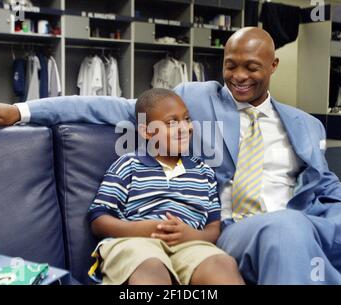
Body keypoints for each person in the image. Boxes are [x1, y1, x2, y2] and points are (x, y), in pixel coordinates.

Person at [0, 27, 341, 285]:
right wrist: (21, 110)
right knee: (286, 226)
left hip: (307, 213)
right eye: (230, 64)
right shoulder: (193, 102)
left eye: (251, 68)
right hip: (240, 226)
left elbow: (327, 188)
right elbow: (114, 107)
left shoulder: (304, 125)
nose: (238, 76)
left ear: (273, 67)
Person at [87, 88, 244, 285]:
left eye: (186, 119)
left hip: (189, 245)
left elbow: (213, 227)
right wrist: (141, 229)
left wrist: (193, 235)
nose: (184, 128)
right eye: (171, 123)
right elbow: (98, 220)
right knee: (151, 268)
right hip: (135, 243)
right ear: (146, 131)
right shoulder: (128, 165)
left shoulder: (204, 172)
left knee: (222, 265)